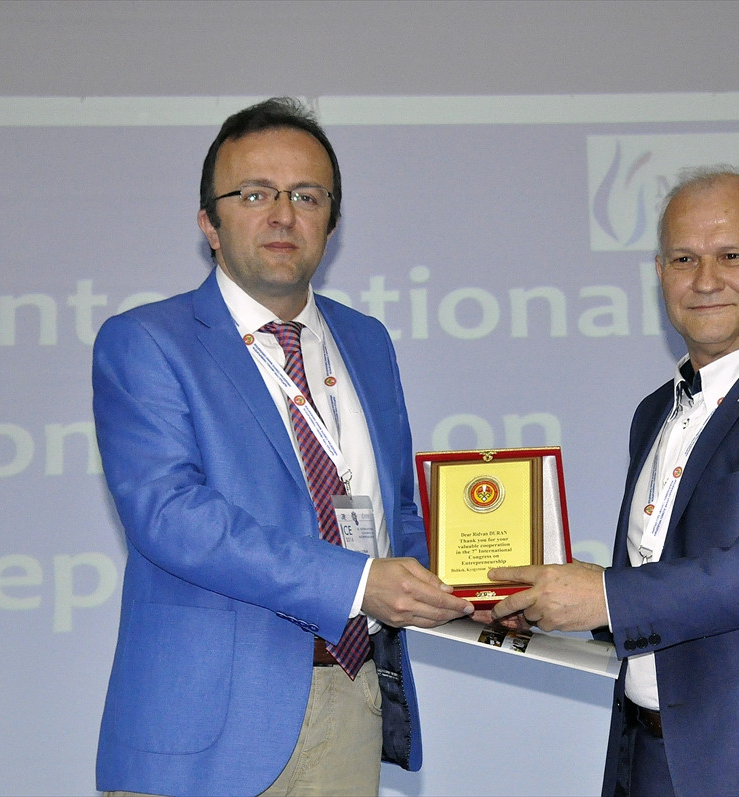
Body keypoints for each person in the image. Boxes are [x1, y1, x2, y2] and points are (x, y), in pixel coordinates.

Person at [92, 97, 474, 797]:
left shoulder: (367, 341)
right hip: (202, 728)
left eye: (306, 195)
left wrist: (479, 582)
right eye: (254, 194)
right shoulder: (146, 341)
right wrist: (357, 582)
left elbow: (394, 510)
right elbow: (171, 516)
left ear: (332, 221)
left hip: (352, 699)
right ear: (208, 222)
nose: (282, 215)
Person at [489, 165, 739, 796]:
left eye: (731, 255)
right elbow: (668, 580)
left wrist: (609, 597)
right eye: (684, 259)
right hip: (650, 760)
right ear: (660, 274)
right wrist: (552, 601)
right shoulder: (654, 412)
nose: (705, 280)